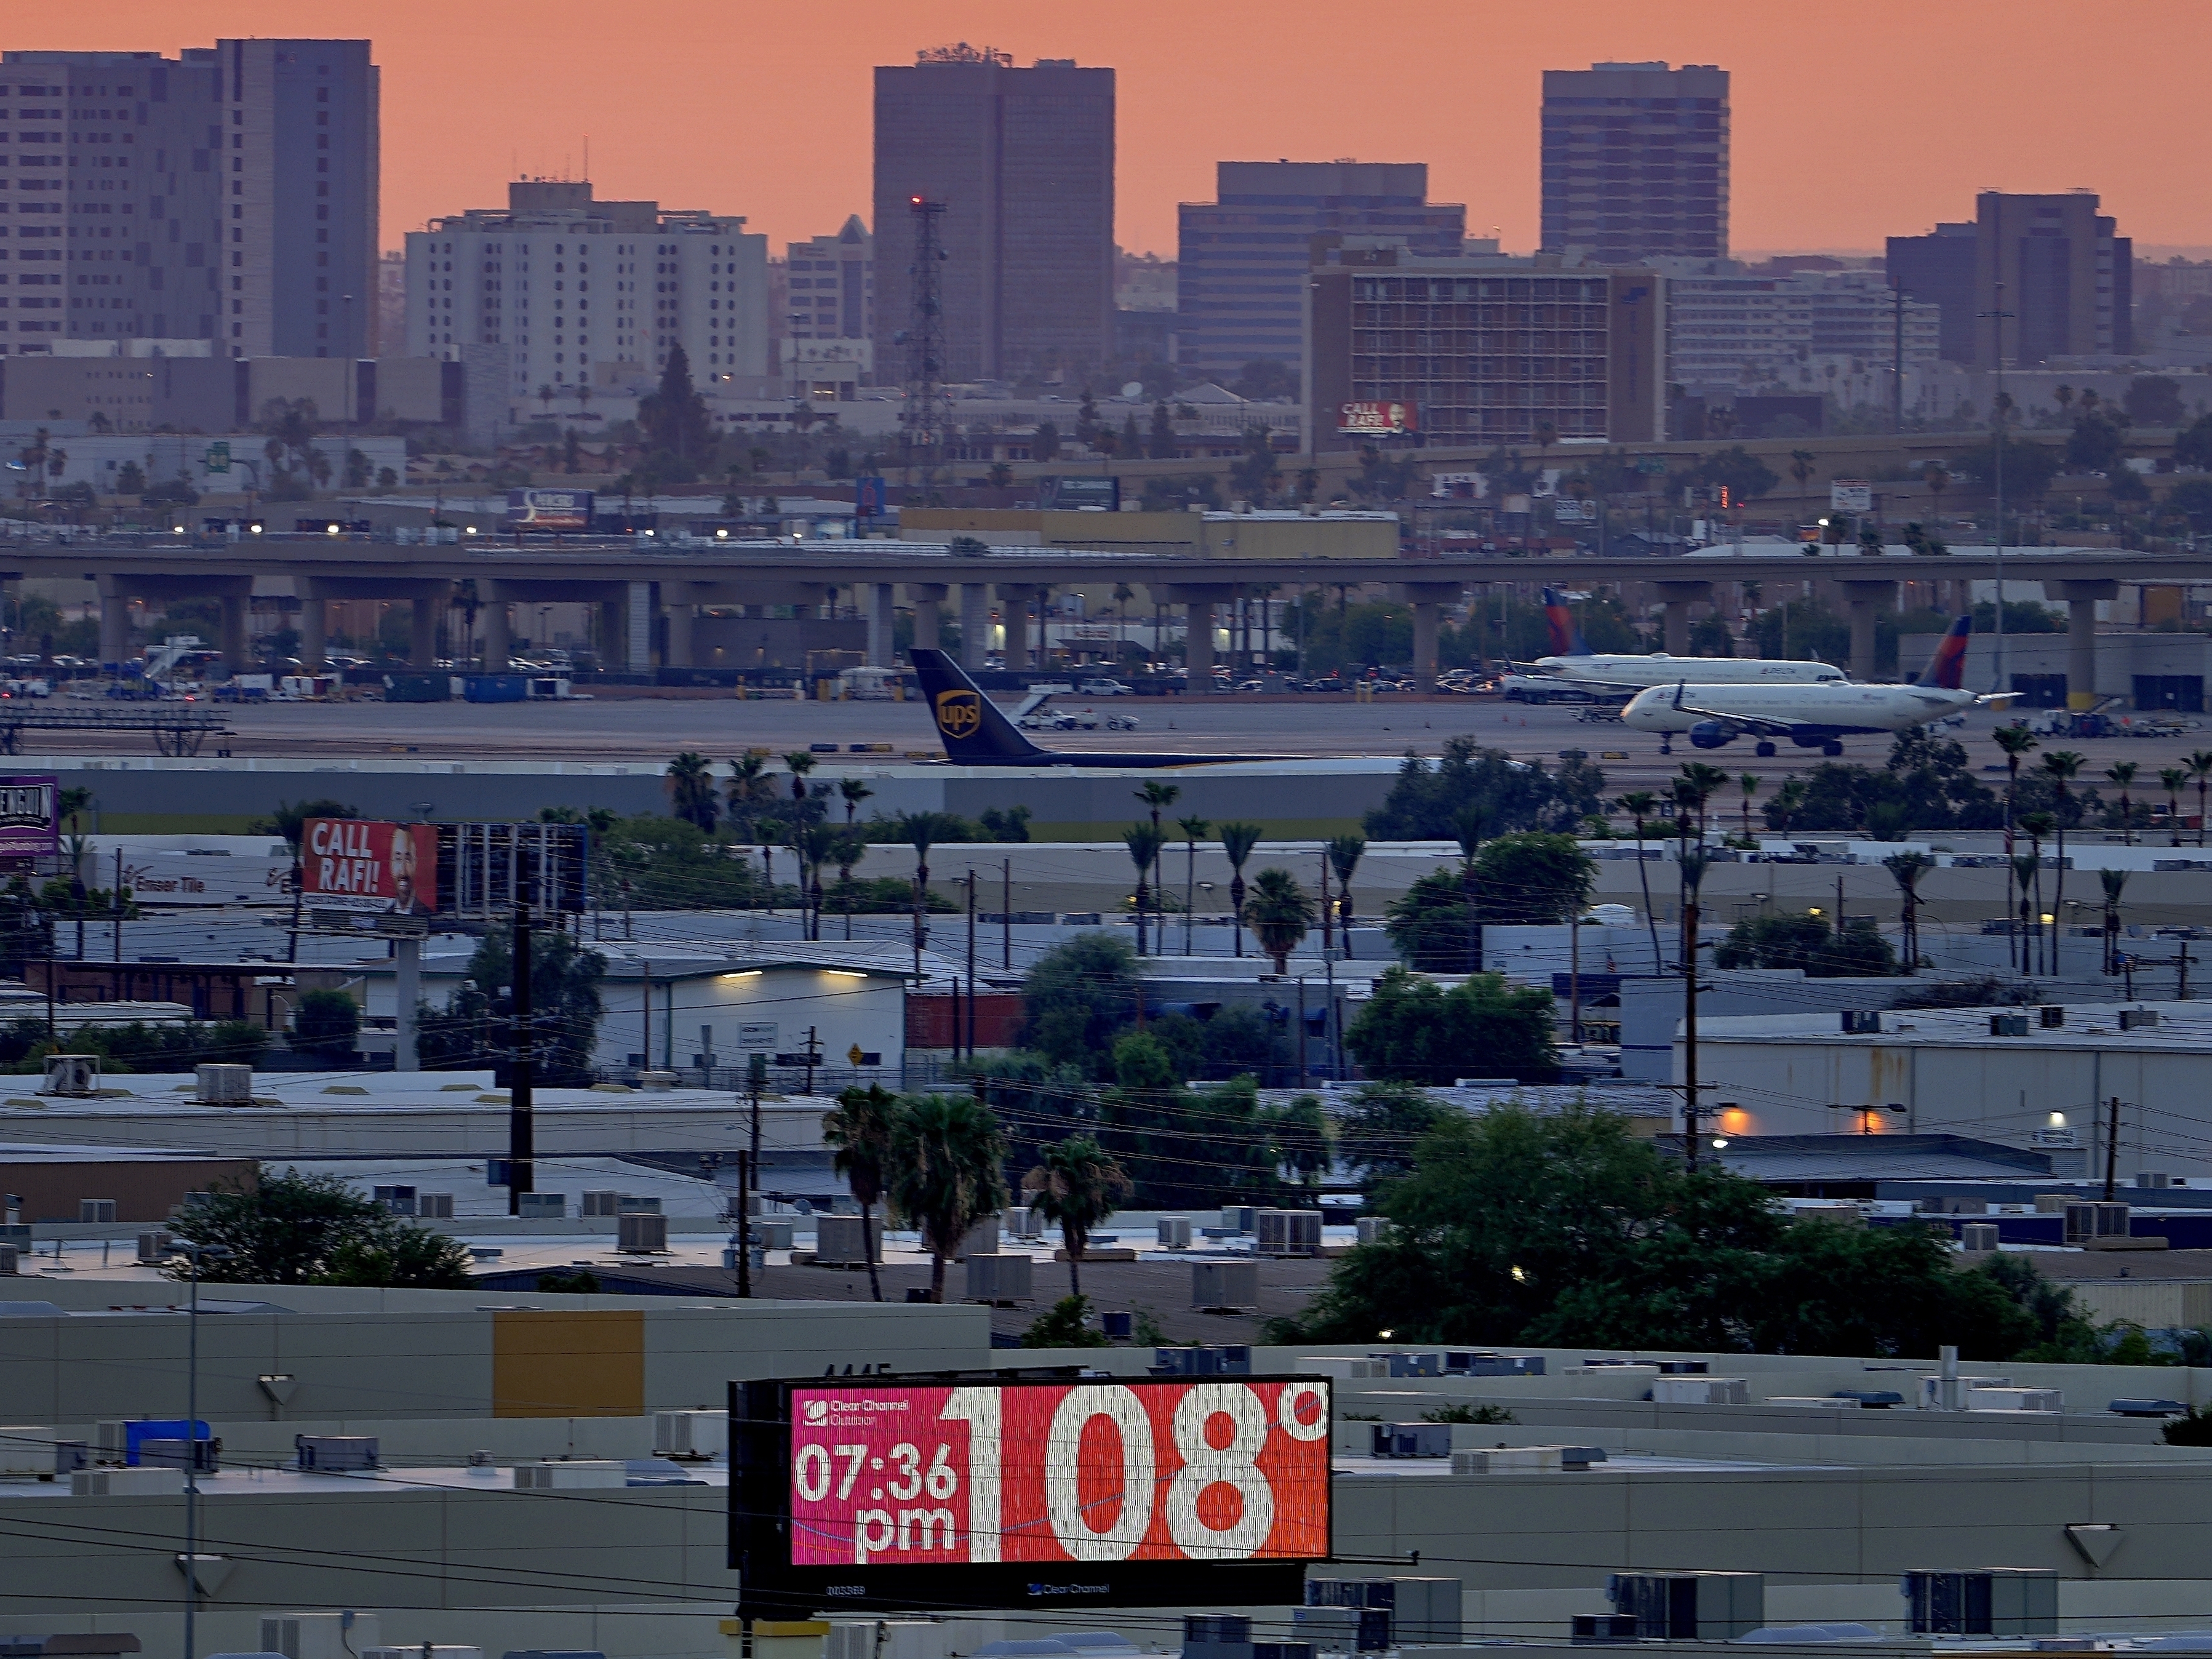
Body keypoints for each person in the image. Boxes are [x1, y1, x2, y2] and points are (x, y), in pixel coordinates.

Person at [388, 824, 434, 916]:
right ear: (391, 865)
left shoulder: (427, 915)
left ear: (416, 863)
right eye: (398, 859)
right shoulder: (385, 916)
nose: (403, 871)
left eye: (408, 860)